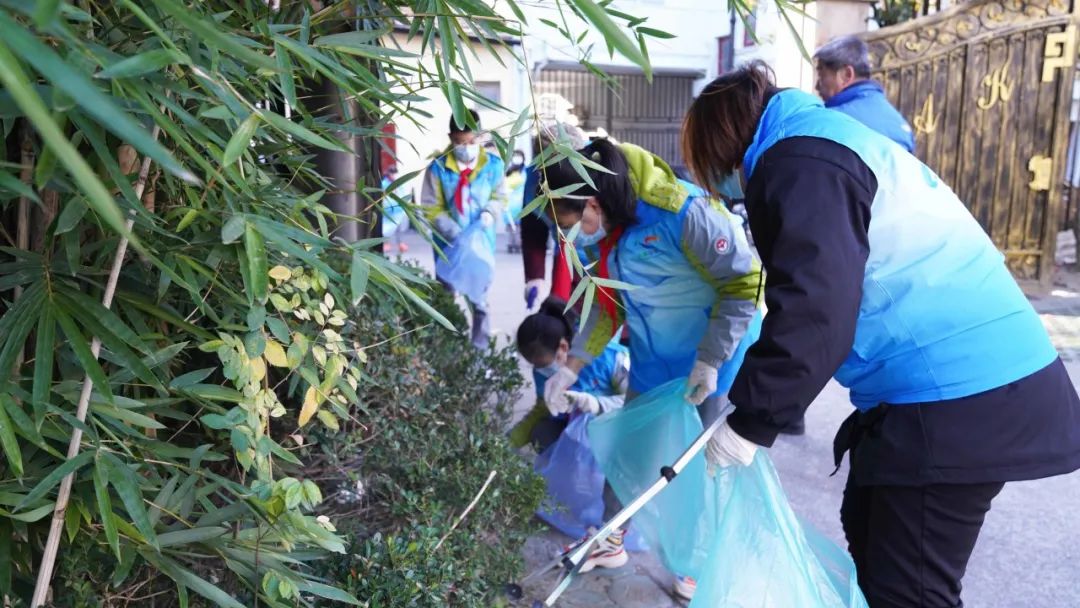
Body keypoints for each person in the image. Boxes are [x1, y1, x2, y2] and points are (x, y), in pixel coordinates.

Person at [681, 61, 1080, 608]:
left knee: (908, 588)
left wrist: (752, 421)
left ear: (722, 143)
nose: (725, 191)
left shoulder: (801, 161)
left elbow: (814, 308)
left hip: (961, 393)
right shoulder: (821, 141)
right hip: (960, 386)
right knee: (868, 524)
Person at [539, 138, 764, 600]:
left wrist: (711, 359)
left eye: (577, 222)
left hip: (714, 361)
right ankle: (611, 539)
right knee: (629, 453)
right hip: (653, 358)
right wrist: (573, 366)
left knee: (702, 466)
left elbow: (745, 282)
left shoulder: (683, 211)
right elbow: (606, 304)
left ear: (595, 201)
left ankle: (698, 563)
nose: (578, 235)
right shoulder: (610, 232)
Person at [420, 110, 507, 348]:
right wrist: (453, 231)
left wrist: (490, 212)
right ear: (450, 138)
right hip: (449, 245)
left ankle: (480, 350)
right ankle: (447, 346)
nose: (465, 147)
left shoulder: (493, 166)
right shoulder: (438, 168)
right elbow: (430, 206)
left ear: (479, 137)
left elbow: (500, 196)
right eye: (459, 142)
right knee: (447, 296)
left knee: (480, 298)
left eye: (470, 141)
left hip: (481, 243)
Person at [510, 297, 629, 450]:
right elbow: (542, 409)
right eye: (537, 366)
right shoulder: (542, 373)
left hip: (615, 427)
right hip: (578, 429)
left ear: (564, 347)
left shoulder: (607, 358)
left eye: (546, 364)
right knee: (542, 433)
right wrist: (507, 443)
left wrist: (597, 404)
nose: (544, 371)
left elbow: (639, 402)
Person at [520, 123, 588, 310]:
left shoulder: (598, 174)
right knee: (561, 308)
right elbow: (533, 229)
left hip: (603, 257)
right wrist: (535, 276)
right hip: (564, 250)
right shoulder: (534, 183)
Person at [814, 35, 915, 153]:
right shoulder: (900, 126)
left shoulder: (831, 121)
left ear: (846, 74)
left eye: (822, 76)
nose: (817, 86)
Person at [380, 165, 410, 255]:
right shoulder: (384, 184)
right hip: (388, 209)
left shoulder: (399, 183)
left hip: (399, 210)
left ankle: (400, 243)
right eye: (392, 174)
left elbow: (403, 194)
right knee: (386, 228)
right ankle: (386, 243)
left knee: (399, 229)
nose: (394, 176)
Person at [504, 150, 527, 253]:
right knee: (510, 225)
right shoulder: (509, 171)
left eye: (519, 156)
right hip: (510, 202)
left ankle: (518, 244)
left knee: (519, 225)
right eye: (515, 156)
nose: (517, 158)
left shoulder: (525, 171)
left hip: (521, 202)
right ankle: (510, 244)